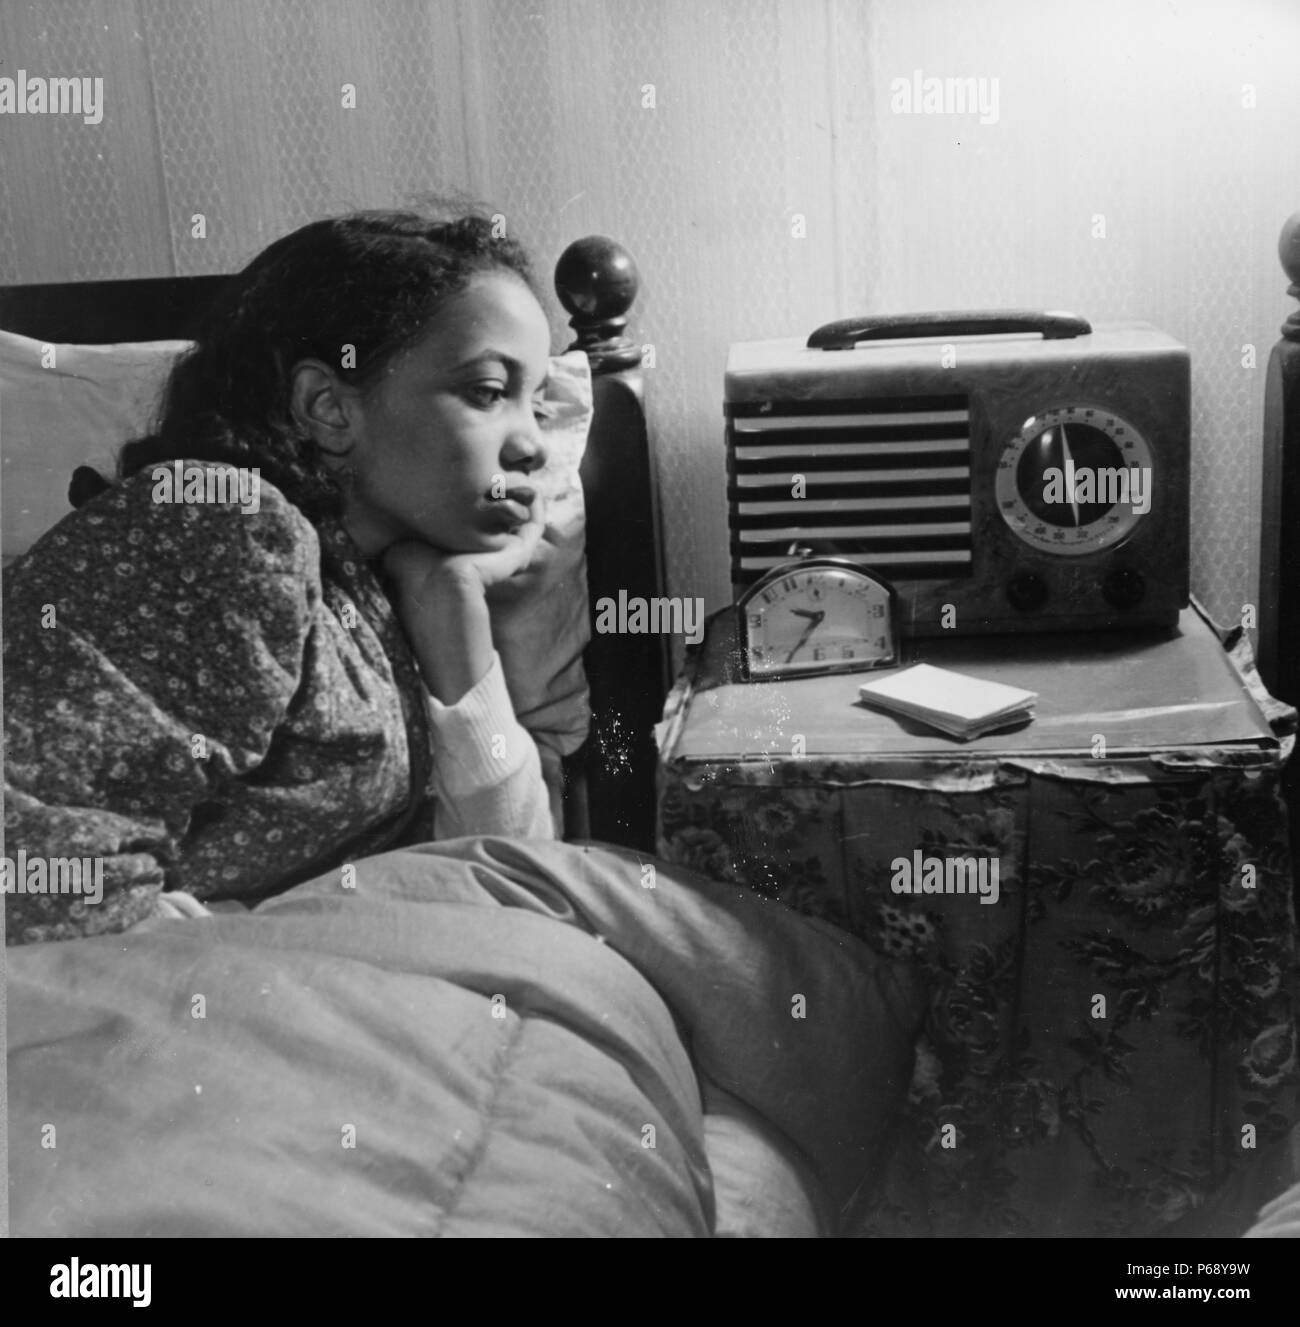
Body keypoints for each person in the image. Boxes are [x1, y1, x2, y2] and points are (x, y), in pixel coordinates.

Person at [3, 210, 562, 946]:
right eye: (489, 391)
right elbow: (40, 864)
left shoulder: (370, 584)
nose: (532, 444)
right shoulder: (222, 526)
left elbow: (511, 881)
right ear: (327, 408)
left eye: (540, 403)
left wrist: (451, 608)